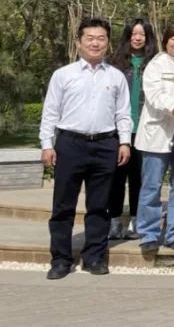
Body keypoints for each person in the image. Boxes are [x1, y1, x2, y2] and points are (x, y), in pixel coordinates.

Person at [39, 18, 132, 280]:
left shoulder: (115, 77)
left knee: (99, 206)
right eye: (90, 38)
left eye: (101, 38)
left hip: (105, 145)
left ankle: (94, 257)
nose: (95, 43)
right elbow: (50, 112)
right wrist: (47, 144)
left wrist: (124, 141)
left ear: (107, 43)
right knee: (63, 206)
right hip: (70, 144)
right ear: (79, 42)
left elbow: (123, 113)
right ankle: (60, 259)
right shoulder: (63, 75)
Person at [135, 22, 174, 255]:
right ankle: (149, 233)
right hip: (158, 133)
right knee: (152, 186)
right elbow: (154, 97)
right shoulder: (155, 65)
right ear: (166, 41)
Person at [108, 18, 157, 241]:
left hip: (144, 129)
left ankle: (137, 221)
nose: (137, 38)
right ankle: (114, 221)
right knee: (116, 178)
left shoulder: (154, 63)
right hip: (118, 130)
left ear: (148, 38)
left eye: (142, 34)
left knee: (139, 178)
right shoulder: (115, 63)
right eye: (133, 34)